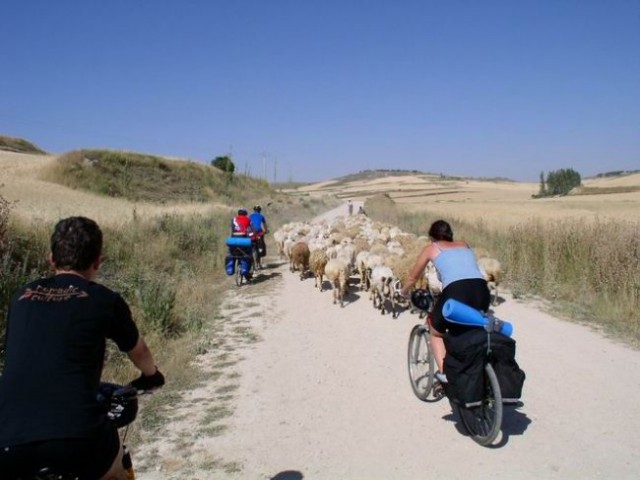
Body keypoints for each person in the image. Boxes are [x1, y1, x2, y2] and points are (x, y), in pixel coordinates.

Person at [0, 216, 165, 480]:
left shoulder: (19, 298)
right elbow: (140, 352)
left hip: (7, 443)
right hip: (79, 440)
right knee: (116, 467)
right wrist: (152, 376)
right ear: (97, 261)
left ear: (51, 259)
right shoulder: (104, 299)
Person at [401, 219, 490, 383]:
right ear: (451, 234)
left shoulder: (431, 249)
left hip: (457, 291)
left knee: (435, 331)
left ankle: (445, 376)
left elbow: (413, 277)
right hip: (481, 290)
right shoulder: (464, 244)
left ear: (432, 237)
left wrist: (403, 291)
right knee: (472, 325)